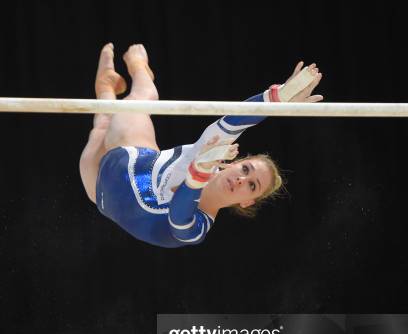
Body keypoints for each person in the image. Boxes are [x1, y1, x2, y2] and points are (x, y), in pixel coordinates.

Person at [79, 44, 323, 248]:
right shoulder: (208, 154)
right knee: (138, 101)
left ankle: (106, 86)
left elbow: (178, 215)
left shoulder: (196, 228)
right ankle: (138, 66)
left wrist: (199, 172)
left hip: (99, 188)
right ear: (234, 164)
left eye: (251, 185)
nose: (241, 179)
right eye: (246, 170)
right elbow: (233, 122)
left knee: (102, 125)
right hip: (132, 154)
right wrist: (277, 98)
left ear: (247, 202)